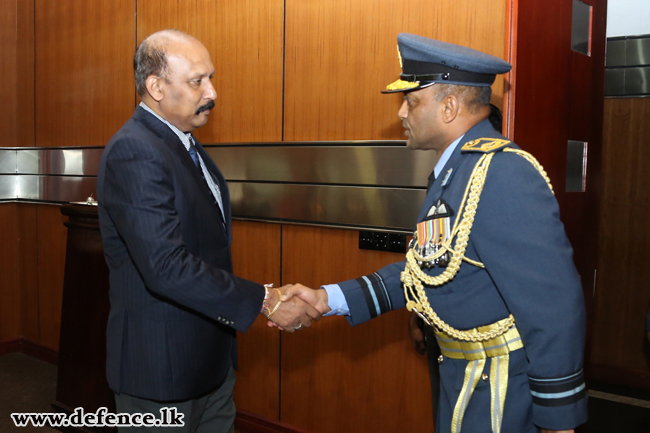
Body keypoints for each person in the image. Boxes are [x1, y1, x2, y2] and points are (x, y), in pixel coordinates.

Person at [280, 33, 587, 433]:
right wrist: (327, 299)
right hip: (461, 380)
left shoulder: (502, 172)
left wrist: (558, 420)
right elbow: (426, 267)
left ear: (448, 107)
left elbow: (554, 305)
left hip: (500, 396)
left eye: (411, 100)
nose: (402, 113)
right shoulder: (453, 171)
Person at [97, 29, 320, 432]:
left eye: (211, 78)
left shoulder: (183, 142)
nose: (212, 92)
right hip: (161, 373)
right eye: (197, 81)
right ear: (156, 87)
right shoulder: (136, 150)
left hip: (210, 364)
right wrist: (265, 300)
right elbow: (166, 265)